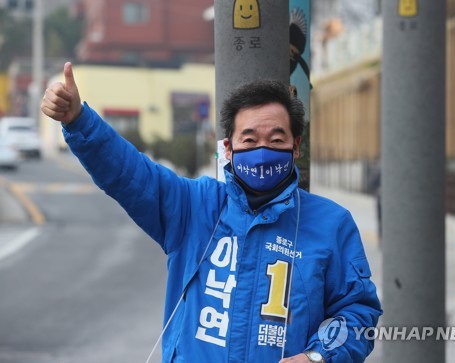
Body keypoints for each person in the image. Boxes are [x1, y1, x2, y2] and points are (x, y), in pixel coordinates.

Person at [41, 62, 382, 363]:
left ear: (296, 147)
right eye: (249, 140)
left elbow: (358, 312)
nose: (262, 151)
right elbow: (129, 173)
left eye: (276, 140)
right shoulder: (194, 205)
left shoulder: (332, 225)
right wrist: (79, 121)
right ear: (228, 149)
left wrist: (318, 356)